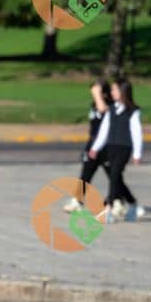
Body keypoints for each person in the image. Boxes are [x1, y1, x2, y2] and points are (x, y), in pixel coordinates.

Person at [89, 78, 145, 222]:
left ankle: (108, 209)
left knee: (114, 175)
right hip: (111, 148)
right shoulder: (111, 109)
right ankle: (132, 203)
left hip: (124, 148)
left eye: (115, 89)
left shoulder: (133, 111)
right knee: (116, 178)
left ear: (123, 91)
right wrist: (95, 147)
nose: (112, 92)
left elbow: (137, 133)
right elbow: (104, 130)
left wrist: (137, 154)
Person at [63, 81, 113, 212]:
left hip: (106, 147)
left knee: (114, 177)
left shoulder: (110, 106)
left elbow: (103, 110)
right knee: (86, 174)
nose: (94, 94)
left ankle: (116, 201)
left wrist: (98, 94)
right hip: (93, 145)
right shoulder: (95, 105)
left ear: (105, 94)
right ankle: (77, 201)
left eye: (97, 91)